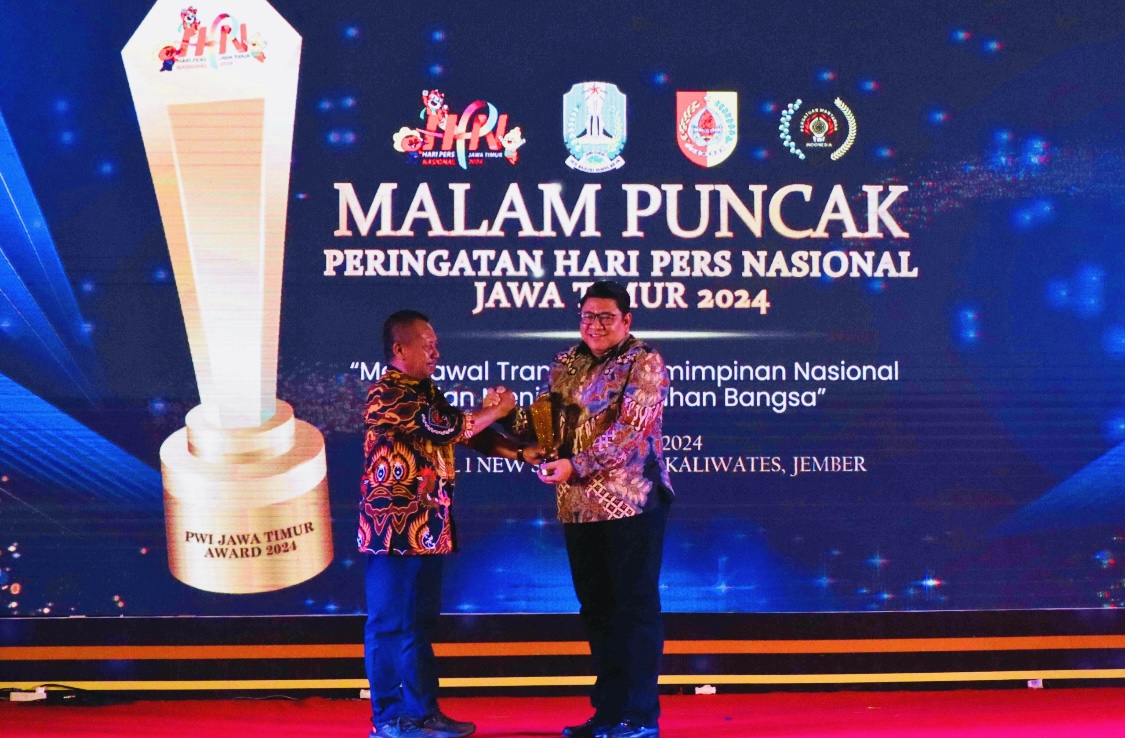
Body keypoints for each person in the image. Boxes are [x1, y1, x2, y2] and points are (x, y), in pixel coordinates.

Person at [507, 281, 674, 738]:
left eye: (605, 317)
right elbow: (546, 424)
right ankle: (607, 713)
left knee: (634, 609)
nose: (594, 325)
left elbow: (630, 432)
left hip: (632, 503)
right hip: (578, 506)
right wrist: (504, 414)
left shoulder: (644, 361)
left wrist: (575, 464)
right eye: (587, 316)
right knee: (597, 611)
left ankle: (639, 716)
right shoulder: (566, 361)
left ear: (626, 320)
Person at [360, 309, 527, 738]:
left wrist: (520, 452)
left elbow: (466, 434)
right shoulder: (387, 393)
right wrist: (497, 408)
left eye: (436, 344)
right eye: (427, 344)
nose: (436, 352)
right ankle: (389, 718)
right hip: (392, 532)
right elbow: (448, 426)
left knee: (419, 624)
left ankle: (424, 713)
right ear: (400, 349)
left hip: (429, 529)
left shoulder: (427, 391)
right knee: (388, 624)